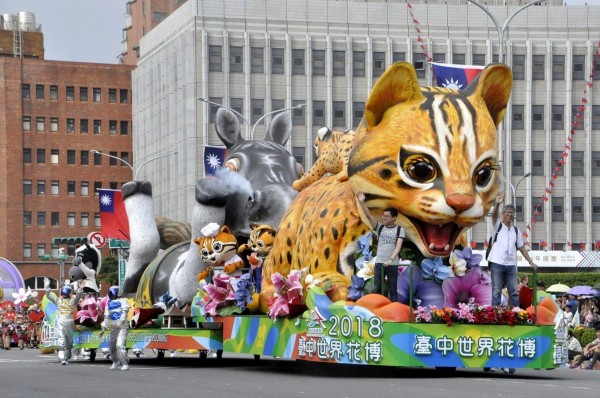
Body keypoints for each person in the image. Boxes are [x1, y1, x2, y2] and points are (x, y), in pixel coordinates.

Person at [488, 192, 537, 309]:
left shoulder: (515, 230)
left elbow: (521, 247)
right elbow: (494, 216)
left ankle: (515, 314)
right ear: (503, 214)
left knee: (513, 291)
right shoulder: (498, 226)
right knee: (496, 290)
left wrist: (530, 261)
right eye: (508, 213)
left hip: (511, 265)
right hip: (497, 263)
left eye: (512, 213)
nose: (510, 215)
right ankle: (495, 314)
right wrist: (498, 204)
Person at [357, 191, 405, 302]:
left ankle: (393, 313)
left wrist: (391, 259)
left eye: (387, 216)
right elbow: (369, 216)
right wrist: (362, 202)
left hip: (392, 263)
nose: (384, 218)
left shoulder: (399, 229)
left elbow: (398, 246)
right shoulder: (380, 228)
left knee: (392, 289)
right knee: (377, 288)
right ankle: (377, 312)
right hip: (379, 262)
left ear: (394, 218)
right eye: (384, 215)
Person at [44, 278, 82, 365]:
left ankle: (66, 357)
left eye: (66, 292)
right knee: (61, 339)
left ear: (69, 293)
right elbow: (49, 296)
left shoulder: (72, 301)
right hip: (61, 322)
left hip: (70, 322)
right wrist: (47, 287)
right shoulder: (58, 301)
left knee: (69, 341)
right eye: (63, 291)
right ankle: (62, 358)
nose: (64, 293)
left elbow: (79, 296)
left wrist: (79, 289)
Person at [99, 286, 131, 370]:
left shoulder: (124, 301)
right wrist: (104, 328)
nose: (112, 294)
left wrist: (121, 322)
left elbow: (124, 312)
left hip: (122, 325)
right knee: (111, 346)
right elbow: (106, 317)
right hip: (113, 326)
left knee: (120, 345)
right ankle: (115, 361)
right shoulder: (109, 304)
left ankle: (124, 363)